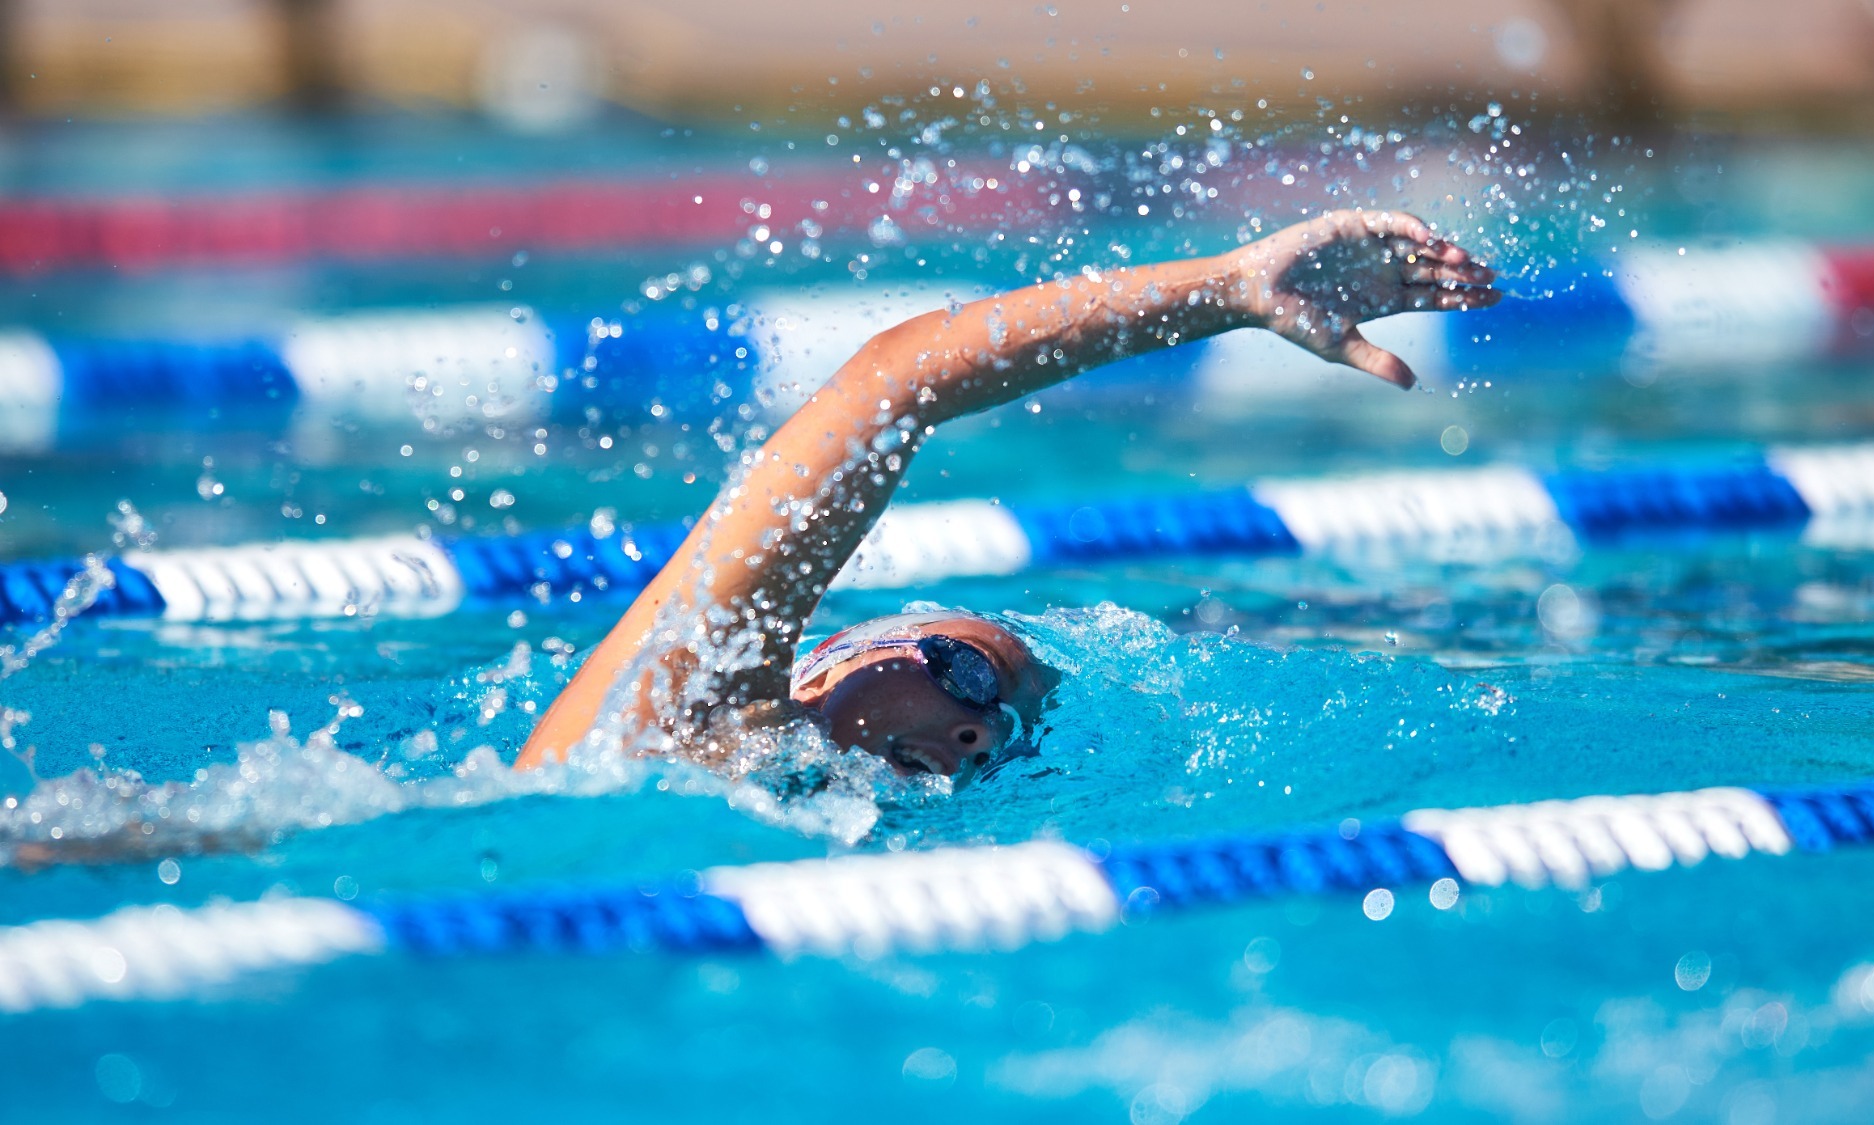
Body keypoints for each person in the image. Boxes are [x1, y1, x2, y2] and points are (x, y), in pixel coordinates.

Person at [513, 210, 1499, 783]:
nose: (977, 728)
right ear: (808, 660)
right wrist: (1227, 287)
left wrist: (1230, 289)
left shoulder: (704, 736)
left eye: (982, 703)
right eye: (957, 665)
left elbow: (889, 384)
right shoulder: (695, 701)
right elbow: (892, 381)